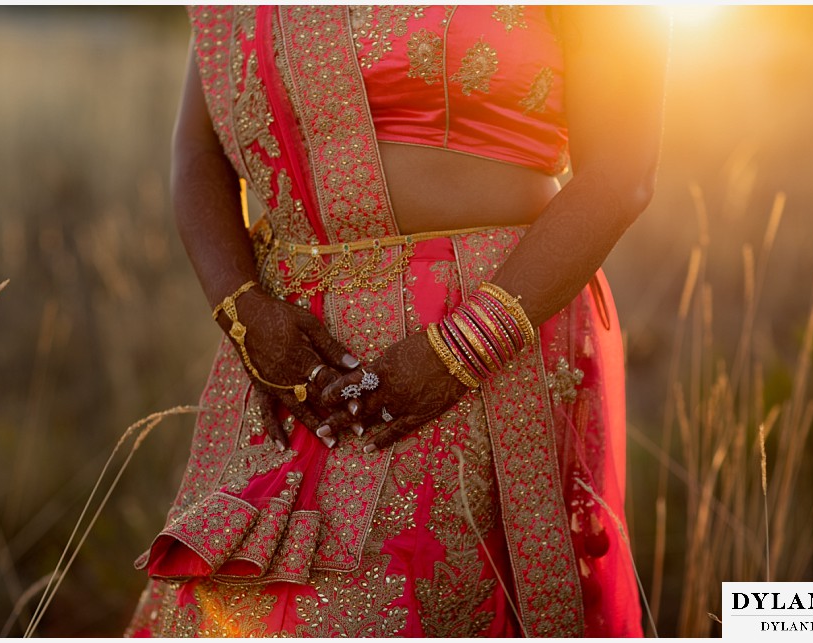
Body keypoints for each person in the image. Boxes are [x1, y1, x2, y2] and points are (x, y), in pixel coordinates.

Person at [126, 5, 667, 637]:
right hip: (292, 362)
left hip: (493, 336)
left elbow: (622, 172)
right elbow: (198, 150)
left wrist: (462, 348)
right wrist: (246, 315)